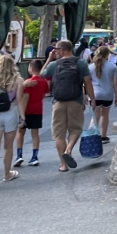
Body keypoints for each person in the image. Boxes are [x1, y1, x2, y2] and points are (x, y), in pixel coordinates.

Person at [41, 40, 95, 172]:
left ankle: (63, 165)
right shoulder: (80, 62)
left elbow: (42, 74)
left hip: (58, 102)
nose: (55, 52)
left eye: (57, 49)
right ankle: (69, 149)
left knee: (59, 134)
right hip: (75, 101)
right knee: (75, 129)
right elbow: (87, 82)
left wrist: (49, 59)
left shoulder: (54, 64)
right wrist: (92, 98)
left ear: (63, 50)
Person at [0, 54, 26, 189]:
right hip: (10, 114)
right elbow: (19, 100)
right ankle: (7, 173)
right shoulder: (18, 80)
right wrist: (22, 117)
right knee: (8, 147)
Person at [89, 46, 117, 143]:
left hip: (95, 94)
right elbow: (115, 83)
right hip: (108, 94)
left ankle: (92, 136)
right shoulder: (112, 66)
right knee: (105, 115)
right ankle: (103, 136)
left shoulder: (90, 67)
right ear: (107, 54)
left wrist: (85, 95)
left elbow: (86, 83)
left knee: (95, 116)